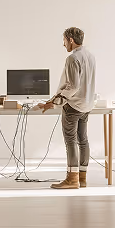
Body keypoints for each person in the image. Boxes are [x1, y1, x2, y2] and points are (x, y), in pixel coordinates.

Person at [40, 27, 96, 189]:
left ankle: (72, 179)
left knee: (70, 141)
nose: (63, 44)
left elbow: (72, 86)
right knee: (83, 140)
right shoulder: (90, 56)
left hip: (73, 106)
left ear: (71, 40)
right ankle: (82, 178)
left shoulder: (73, 59)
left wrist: (53, 102)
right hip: (86, 105)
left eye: (64, 40)